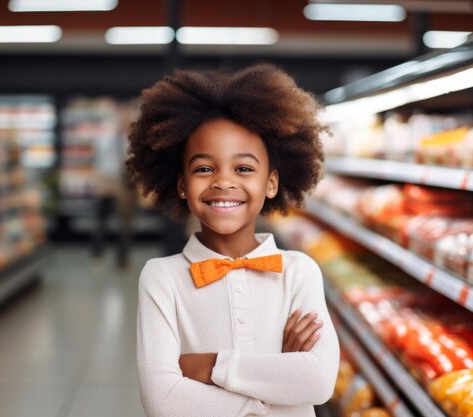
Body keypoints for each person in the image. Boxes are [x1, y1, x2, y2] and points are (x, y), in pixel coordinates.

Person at [127, 64, 339, 417]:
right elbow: (162, 402)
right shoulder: (161, 278)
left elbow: (318, 382)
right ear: (182, 184)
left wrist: (208, 366)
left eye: (243, 168)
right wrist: (276, 388)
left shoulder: (299, 271)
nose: (223, 182)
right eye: (204, 168)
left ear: (271, 183)